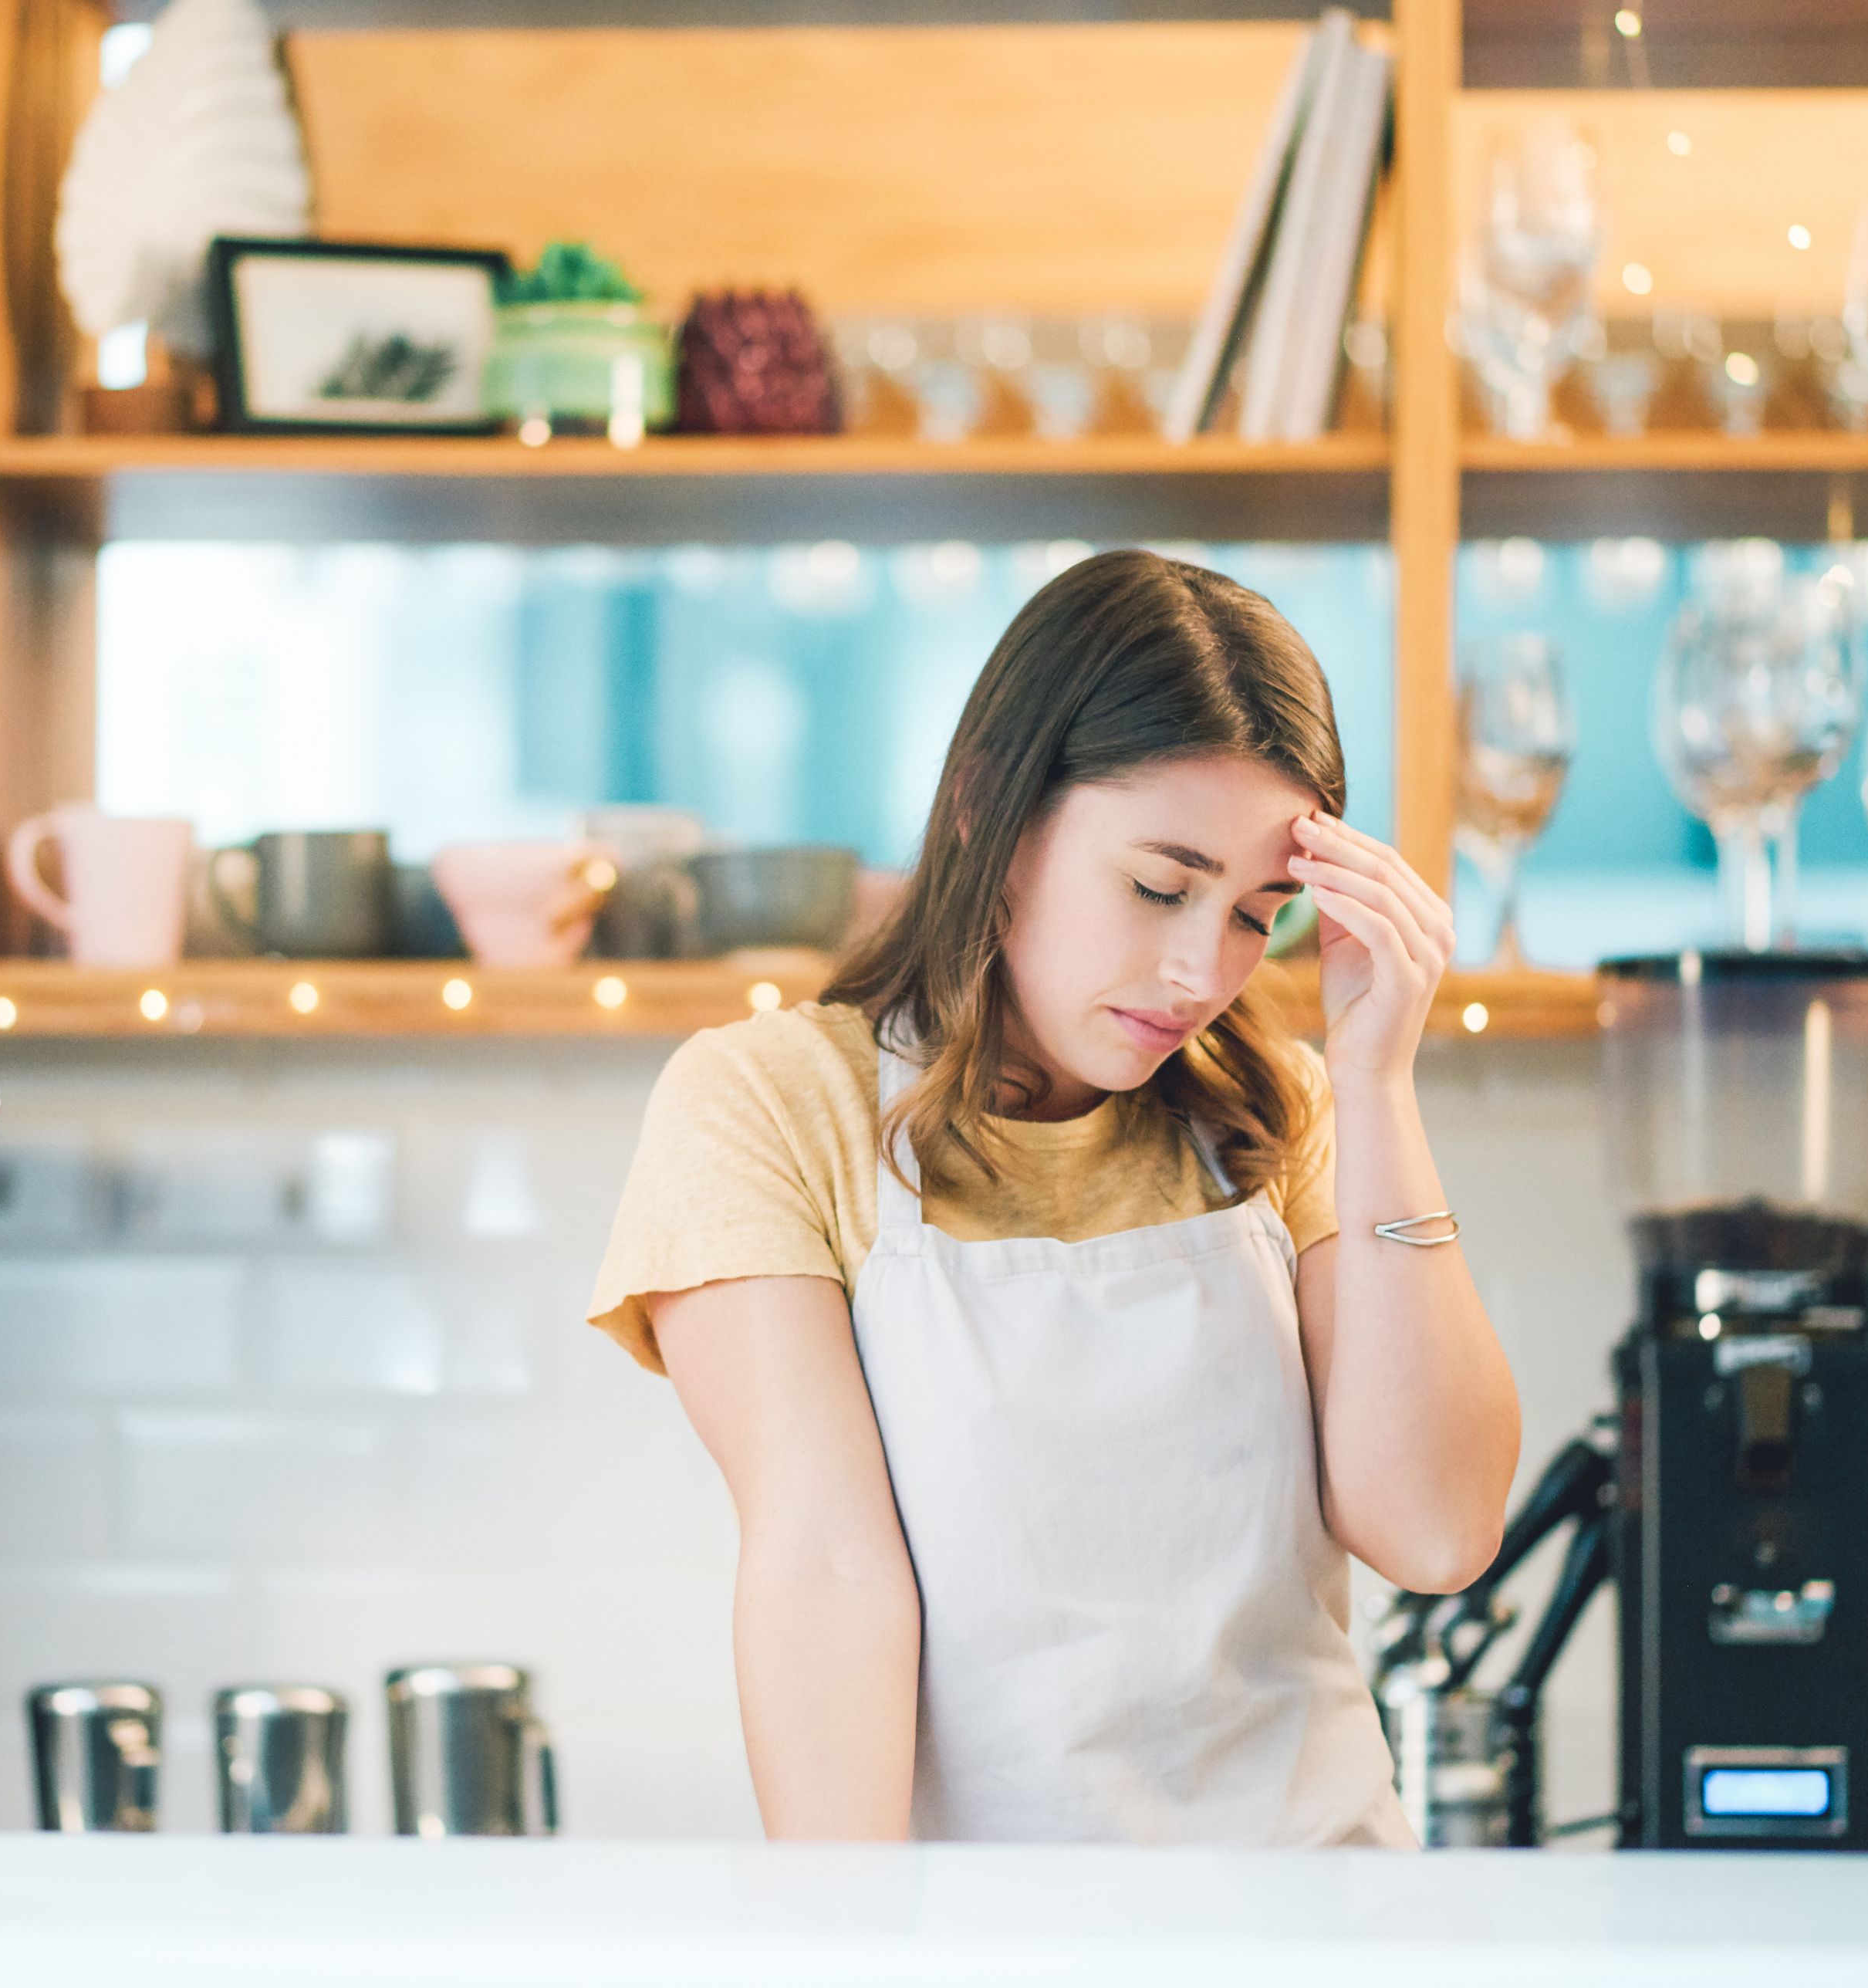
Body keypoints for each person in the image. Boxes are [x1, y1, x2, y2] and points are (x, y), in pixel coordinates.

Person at [586, 548, 1519, 1845]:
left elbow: (1433, 1530)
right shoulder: (773, 1104)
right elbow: (828, 1570)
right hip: (988, 1940)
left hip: (1322, 1920)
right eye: (1157, 886)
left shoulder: (1287, 1112)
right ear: (990, 810)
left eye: (1259, 913)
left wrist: (1380, 1086)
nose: (1203, 970)